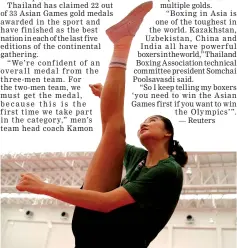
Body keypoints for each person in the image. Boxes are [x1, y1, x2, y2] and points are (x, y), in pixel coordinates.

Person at [16, 1, 188, 247]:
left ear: (167, 133)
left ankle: (122, 42)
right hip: (96, 227)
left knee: (114, 129)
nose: (144, 124)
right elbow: (110, 128)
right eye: (144, 121)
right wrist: (106, 97)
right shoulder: (139, 157)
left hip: (107, 236)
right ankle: (122, 42)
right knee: (113, 131)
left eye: (152, 121)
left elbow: (107, 203)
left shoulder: (168, 170)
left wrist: (44, 187)